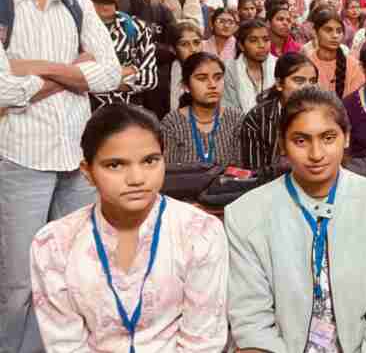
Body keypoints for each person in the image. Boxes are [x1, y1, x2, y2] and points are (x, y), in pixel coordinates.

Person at [0, 0, 122, 353]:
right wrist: (72, 70)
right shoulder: (2, 1)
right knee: (16, 284)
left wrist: (36, 67)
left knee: (74, 274)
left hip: (75, 158)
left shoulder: (76, 3)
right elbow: (1, 89)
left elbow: (108, 75)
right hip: (19, 156)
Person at [29, 103, 229, 351]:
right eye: (115, 165)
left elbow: (202, 341)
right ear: (87, 172)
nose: (136, 179)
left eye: (150, 161)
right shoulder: (53, 244)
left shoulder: (200, 232)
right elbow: (65, 344)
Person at [226, 88, 366, 352]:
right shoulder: (246, 215)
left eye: (328, 137)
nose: (316, 154)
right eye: (301, 140)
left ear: (346, 138)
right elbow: (252, 319)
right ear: (283, 143)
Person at [82, 0, 157, 110]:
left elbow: (149, 78)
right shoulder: (74, 26)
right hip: (85, 119)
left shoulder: (138, 27)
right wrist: (129, 71)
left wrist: (95, 76)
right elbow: (70, 78)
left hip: (129, 118)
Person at [240, 52, 319, 171]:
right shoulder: (257, 118)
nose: (308, 87)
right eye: (299, 81)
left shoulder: (324, 114)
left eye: (312, 81)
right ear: (279, 84)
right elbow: (255, 174)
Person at [162, 52, 243, 166]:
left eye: (218, 78)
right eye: (202, 78)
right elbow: (170, 172)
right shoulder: (172, 122)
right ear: (186, 86)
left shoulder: (236, 119)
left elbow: (243, 171)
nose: (212, 85)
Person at [307, 7, 364, 98]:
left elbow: (355, 102)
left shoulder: (354, 66)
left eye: (339, 31)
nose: (335, 35)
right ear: (315, 32)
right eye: (328, 30)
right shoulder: (306, 64)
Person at [223, 19, 277, 113]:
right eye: (253, 40)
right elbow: (230, 110)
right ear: (241, 45)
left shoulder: (278, 65)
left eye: (266, 40)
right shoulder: (229, 70)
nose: (261, 45)